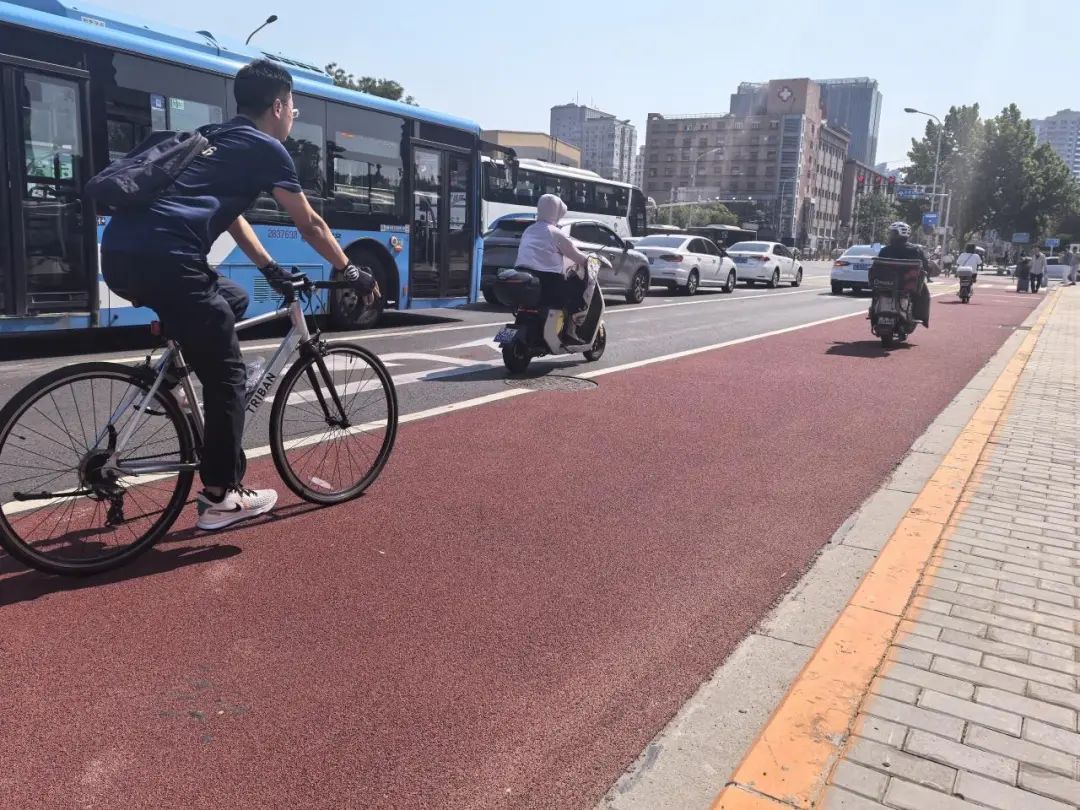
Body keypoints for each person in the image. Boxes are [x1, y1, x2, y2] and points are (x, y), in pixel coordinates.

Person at [100, 59, 377, 531]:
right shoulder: (268, 149)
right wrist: (350, 270)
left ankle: (169, 382)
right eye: (293, 106)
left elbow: (231, 214)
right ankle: (221, 496)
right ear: (277, 105)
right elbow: (310, 222)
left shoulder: (214, 136)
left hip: (121, 252)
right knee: (228, 377)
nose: (294, 114)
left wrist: (267, 267)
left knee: (233, 300)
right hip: (170, 259)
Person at [514, 194, 593, 342]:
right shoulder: (555, 232)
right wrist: (588, 261)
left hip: (524, 275)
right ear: (555, 212)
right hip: (547, 280)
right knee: (576, 293)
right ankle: (570, 331)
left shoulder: (529, 230)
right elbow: (576, 255)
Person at [876, 221, 931, 326]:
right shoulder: (916, 250)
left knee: (876, 293)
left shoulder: (885, 250)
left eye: (892, 233)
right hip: (909, 284)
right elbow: (925, 265)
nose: (890, 235)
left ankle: (874, 312)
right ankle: (921, 318)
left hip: (886, 282)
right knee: (924, 295)